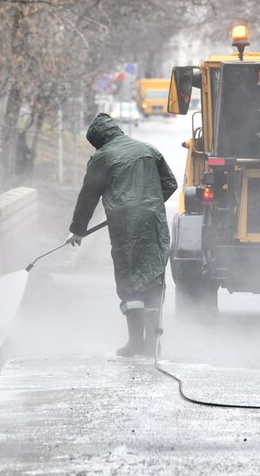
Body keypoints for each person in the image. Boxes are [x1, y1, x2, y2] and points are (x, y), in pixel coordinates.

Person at [67, 113, 177, 356]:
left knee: (130, 277)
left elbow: (89, 196)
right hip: (154, 223)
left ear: (99, 140)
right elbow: (170, 183)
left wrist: (77, 230)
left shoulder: (102, 157)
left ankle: (136, 343)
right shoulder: (148, 149)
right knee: (154, 276)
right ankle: (153, 344)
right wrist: (150, 205)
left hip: (126, 228)